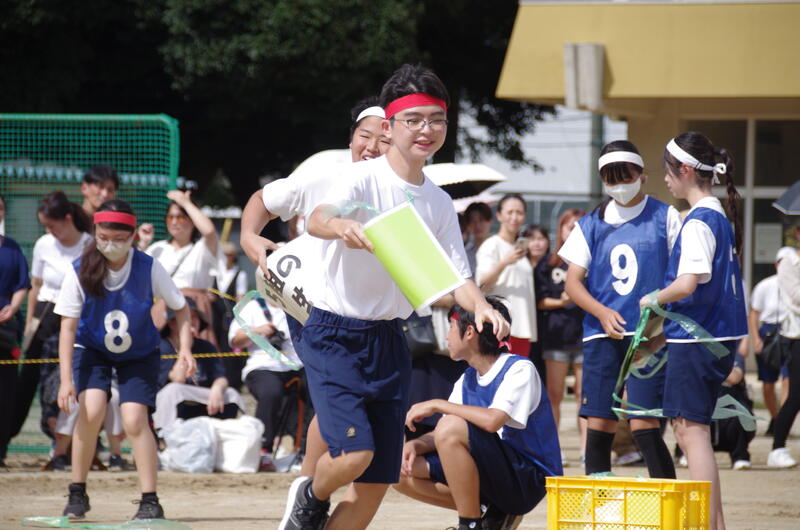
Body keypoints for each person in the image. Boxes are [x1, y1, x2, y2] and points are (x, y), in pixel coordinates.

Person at [281, 64, 509, 530]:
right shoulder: (362, 179)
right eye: (414, 120)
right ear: (390, 126)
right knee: (355, 454)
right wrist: (340, 225)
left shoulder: (438, 202)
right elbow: (317, 219)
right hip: (333, 333)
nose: (427, 130)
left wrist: (482, 305)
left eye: (436, 120)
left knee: (375, 481)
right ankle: (310, 493)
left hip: (388, 338)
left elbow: (456, 278)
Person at [240, 96, 390, 484]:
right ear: (351, 136)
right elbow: (263, 200)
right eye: (365, 136)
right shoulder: (325, 171)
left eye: (384, 139)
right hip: (315, 310)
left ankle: (307, 487)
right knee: (338, 395)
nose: (372, 147)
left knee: (337, 402)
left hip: (372, 317)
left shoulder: (401, 188)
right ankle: (308, 490)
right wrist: (249, 236)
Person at [54, 199, 196, 520]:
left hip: (139, 352)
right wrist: (65, 380)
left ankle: (150, 500)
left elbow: (181, 307)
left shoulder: (148, 266)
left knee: (134, 419)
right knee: (91, 410)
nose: (111, 245)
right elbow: (67, 328)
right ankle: (77, 491)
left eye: (119, 239)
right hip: (93, 349)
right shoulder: (79, 269)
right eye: (104, 238)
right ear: (95, 234)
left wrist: (185, 349)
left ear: (132, 236)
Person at [640, 131, 747, 529]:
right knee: (691, 430)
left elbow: (687, 284)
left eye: (668, 172)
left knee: (691, 431)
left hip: (700, 339)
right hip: (714, 336)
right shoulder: (717, 216)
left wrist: (653, 298)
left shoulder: (700, 220)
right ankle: (713, 522)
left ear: (685, 170)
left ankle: (709, 523)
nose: (666, 180)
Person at [560, 140, 682, 479]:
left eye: (625, 177)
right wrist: (601, 312)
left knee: (644, 421)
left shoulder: (665, 216)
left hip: (650, 335)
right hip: (603, 334)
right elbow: (572, 284)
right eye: (611, 180)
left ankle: (665, 496)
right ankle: (600, 499)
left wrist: (663, 323)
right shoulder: (590, 223)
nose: (619, 186)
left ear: (642, 175)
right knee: (600, 420)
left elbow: (681, 276)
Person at [396, 298, 561, 530]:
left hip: (526, 479)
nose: (446, 336)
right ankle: (490, 512)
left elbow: (493, 421)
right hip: (491, 469)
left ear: (470, 332)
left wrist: (437, 404)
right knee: (397, 470)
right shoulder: (467, 378)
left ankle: (469, 524)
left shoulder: (519, 369)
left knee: (451, 426)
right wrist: (415, 446)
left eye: (451, 328)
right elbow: (442, 433)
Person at [10, 192, 93, 445]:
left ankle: (80, 442)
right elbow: (36, 286)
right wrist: (29, 325)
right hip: (46, 314)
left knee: (76, 375)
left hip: (77, 316)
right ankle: (7, 437)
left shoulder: (89, 244)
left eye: (52, 225)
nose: (49, 231)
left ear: (67, 218)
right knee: (28, 379)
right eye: (45, 226)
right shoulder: (44, 244)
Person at [230, 296, 305, 472]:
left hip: (296, 365)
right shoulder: (251, 307)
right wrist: (258, 331)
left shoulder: (297, 306)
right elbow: (234, 340)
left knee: (314, 390)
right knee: (271, 392)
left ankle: (305, 448)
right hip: (261, 366)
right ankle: (264, 448)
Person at [535, 209, 586, 465]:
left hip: (584, 334)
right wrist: (563, 301)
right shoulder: (549, 262)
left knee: (583, 396)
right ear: (561, 230)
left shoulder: (590, 260)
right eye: (569, 227)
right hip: (556, 335)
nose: (573, 231)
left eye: (578, 226)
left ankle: (586, 450)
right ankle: (556, 449)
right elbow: (540, 301)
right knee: (554, 394)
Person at [152, 299, 243, 433]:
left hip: (203, 399)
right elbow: (178, 379)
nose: (192, 321)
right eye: (188, 318)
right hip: (175, 402)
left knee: (231, 393)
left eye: (195, 317)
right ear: (172, 323)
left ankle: (224, 433)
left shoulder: (206, 346)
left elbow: (221, 377)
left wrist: (217, 389)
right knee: (173, 390)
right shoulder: (162, 346)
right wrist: (186, 346)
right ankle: (165, 437)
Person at [146, 189, 221, 345]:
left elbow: (209, 231)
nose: (174, 222)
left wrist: (186, 203)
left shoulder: (202, 247)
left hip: (194, 312)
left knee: (199, 353)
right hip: (164, 313)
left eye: (180, 217)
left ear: (192, 220)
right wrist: (142, 244)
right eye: (170, 217)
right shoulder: (157, 248)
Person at [476, 194, 537, 357]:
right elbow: (482, 284)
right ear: (499, 215)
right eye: (510, 212)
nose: (514, 217)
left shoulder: (522, 249)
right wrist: (504, 263)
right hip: (500, 328)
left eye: (519, 213)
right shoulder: (491, 245)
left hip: (523, 328)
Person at [741, 247, 794, 435]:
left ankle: (782, 422)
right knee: (768, 381)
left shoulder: (795, 284)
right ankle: (775, 417)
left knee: (788, 379)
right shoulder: (765, 285)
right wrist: (755, 338)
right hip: (769, 333)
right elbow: (754, 313)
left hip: (791, 331)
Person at [0, 194, 31, 468]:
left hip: (6, 330)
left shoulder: (11, 247)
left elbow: (23, 284)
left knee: (6, 391)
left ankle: (1, 451)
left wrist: (12, 307)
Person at [769, 229, 800, 468]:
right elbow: (796, 297)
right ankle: (777, 447)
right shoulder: (788, 262)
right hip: (796, 338)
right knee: (796, 395)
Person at [211, 241, 249, 390]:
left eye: (228, 255)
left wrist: (239, 318)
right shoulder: (214, 273)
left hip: (230, 316)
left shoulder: (239, 274)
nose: (224, 258)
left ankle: (233, 382)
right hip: (213, 315)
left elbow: (240, 297)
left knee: (230, 349)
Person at [521, 224, 550, 385]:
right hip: (525, 323)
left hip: (549, 326)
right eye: (532, 239)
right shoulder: (519, 265)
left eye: (541, 239)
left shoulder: (554, 266)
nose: (537, 243)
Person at [463, 202, 493, 274]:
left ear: (490, 221)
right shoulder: (465, 254)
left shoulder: (499, 246)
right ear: (467, 225)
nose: (477, 225)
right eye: (472, 221)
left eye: (481, 220)